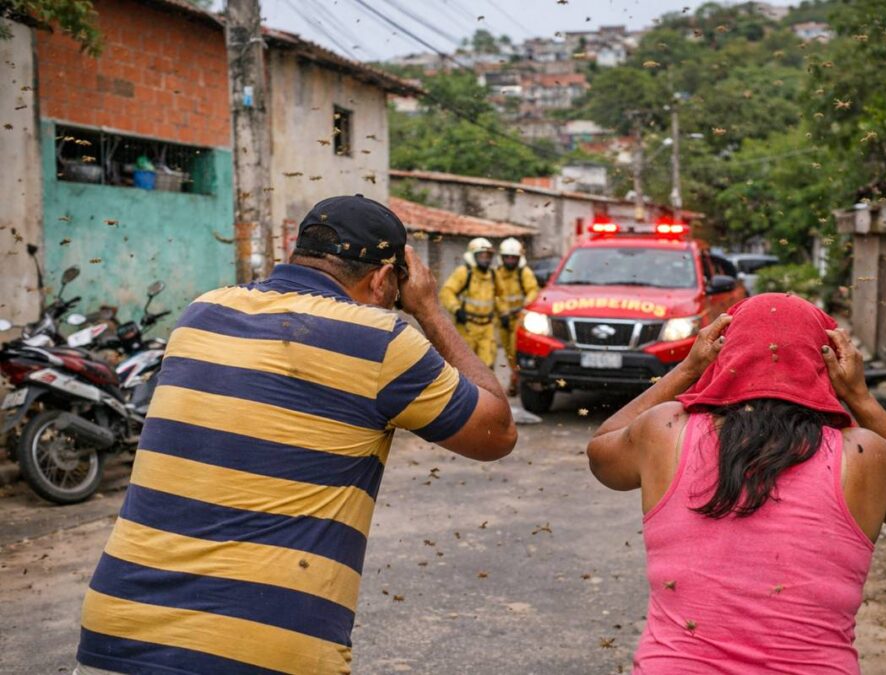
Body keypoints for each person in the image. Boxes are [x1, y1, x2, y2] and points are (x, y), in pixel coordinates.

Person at [74, 195, 517, 675]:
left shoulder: (201, 314)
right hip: (260, 649)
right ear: (386, 279)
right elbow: (496, 432)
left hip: (116, 634)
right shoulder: (381, 339)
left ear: (296, 251)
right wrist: (428, 312)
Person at [586, 294, 886, 674]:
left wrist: (687, 369)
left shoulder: (666, 432)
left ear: (721, 356)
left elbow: (601, 451)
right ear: (827, 365)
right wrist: (861, 398)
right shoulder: (863, 456)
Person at [439, 237, 498, 368]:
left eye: (488, 256)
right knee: (466, 367)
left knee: (487, 367)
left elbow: (501, 297)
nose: (485, 259)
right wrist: (457, 309)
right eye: (481, 256)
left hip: (487, 328)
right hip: (467, 328)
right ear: (472, 256)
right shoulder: (464, 272)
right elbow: (446, 292)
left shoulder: (493, 275)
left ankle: (485, 389)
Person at [494, 237, 540, 396]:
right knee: (507, 352)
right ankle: (515, 378)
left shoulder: (524, 273)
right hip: (503, 319)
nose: (510, 260)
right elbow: (496, 295)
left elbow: (533, 291)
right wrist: (504, 312)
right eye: (507, 257)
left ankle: (516, 381)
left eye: (513, 257)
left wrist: (522, 307)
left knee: (516, 351)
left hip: (520, 319)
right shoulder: (497, 273)